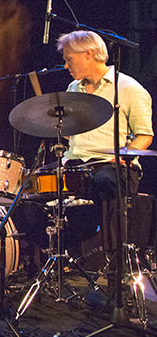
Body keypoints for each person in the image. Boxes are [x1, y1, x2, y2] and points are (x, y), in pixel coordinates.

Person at [57, 30, 153, 256]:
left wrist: (123, 157)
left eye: (68, 59)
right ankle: (61, 260)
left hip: (110, 165)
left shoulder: (129, 88)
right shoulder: (74, 88)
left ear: (88, 54)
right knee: (30, 191)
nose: (65, 65)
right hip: (75, 164)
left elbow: (145, 135)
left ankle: (113, 257)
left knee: (104, 180)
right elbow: (73, 133)